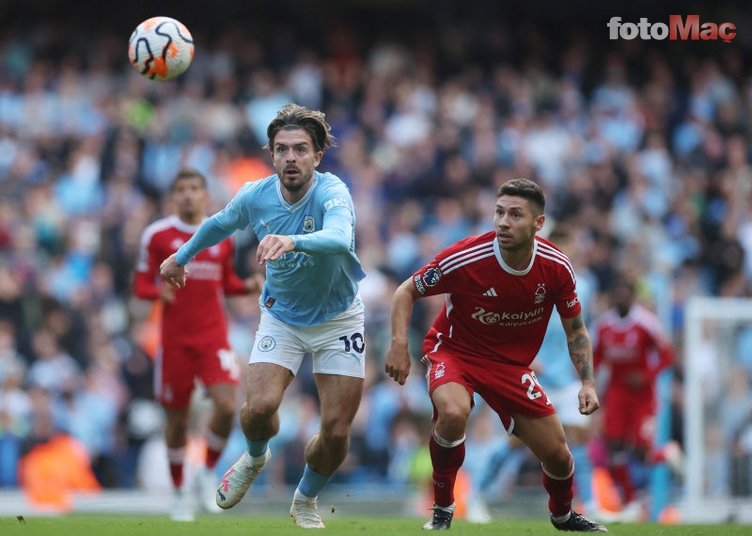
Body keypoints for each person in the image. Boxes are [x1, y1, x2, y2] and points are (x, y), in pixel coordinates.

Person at [160, 103, 366, 529]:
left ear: (317, 156)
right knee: (258, 409)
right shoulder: (255, 194)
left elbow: (341, 238)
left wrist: (293, 242)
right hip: (283, 318)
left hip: (339, 319)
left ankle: (305, 497)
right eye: (282, 149)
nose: (291, 157)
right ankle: (255, 458)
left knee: (336, 433)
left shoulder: (332, 191)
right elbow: (219, 223)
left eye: (300, 150)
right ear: (272, 155)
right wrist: (180, 257)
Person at [385, 178, 608, 532]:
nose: (503, 222)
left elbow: (576, 329)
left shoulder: (556, 267)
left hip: (509, 366)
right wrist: (399, 345)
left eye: (515, 214)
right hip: (455, 352)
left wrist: (588, 382)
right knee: (454, 412)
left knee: (559, 455)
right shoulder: (467, 257)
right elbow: (405, 291)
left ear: (538, 223)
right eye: (499, 212)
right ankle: (443, 507)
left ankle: (563, 516)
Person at [133, 168, 262, 521]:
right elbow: (140, 285)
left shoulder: (221, 235)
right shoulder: (157, 235)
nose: (189, 195)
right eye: (182, 189)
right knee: (176, 420)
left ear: (206, 195)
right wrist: (157, 291)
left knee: (226, 405)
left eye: (195, 189)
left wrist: (247, 286)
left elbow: (226, 282)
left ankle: (205, 472)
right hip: (174, 341)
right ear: (173, 197)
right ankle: (178, 494)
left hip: (212, 337)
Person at [592, 275, 673, 519]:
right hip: (616, 392)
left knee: (639, 450)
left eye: (625, 294)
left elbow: (667, 356)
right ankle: (630, 500)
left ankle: (669, 452)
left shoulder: (647, 324)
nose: (621, 299)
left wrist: (647, 376)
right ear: (612, 298)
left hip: (642, 395)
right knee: (613, 446)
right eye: (617, 294)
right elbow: (595, 357)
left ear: (633, 297)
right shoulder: (603, 326)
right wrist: (590, 382)